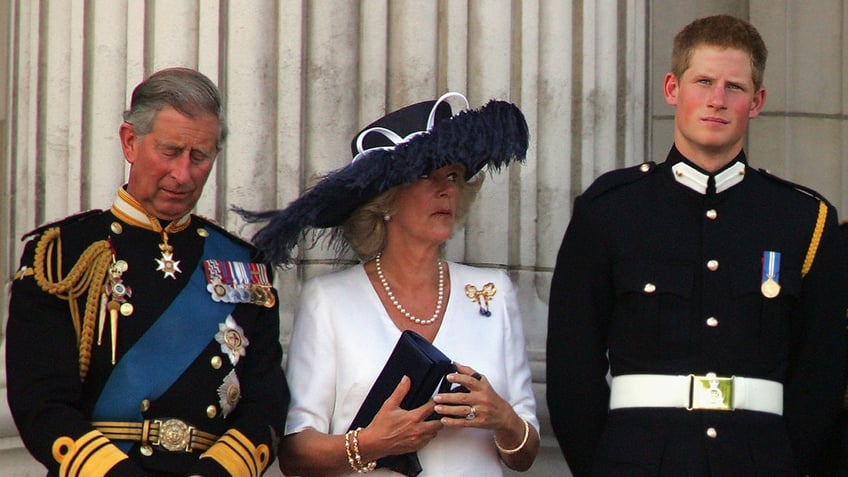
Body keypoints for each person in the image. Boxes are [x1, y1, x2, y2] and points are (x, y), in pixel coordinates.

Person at [546, 14, 847, 477]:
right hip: (635, 462)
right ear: (672, 89)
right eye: (703, 81)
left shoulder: (804, 220)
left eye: (735, 87)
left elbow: (821, 377)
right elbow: (573, 369)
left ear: (757, 101)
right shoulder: (609, 210)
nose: (717, 100)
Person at [6, 67, 289, 477]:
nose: (184, 174)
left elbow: (266, 403)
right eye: (170, 152)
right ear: (130, 142)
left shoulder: (243, 265)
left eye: (200, 156)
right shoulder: (63, 254)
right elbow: (41, 402)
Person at [237, 93, 539, 476]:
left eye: (454, 176)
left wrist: (503, 418)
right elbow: (295, 454)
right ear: (386, 200)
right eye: (429, 175)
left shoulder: (493, 293)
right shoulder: (329, 301)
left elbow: (525, 453)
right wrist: (373, 443)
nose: (447, 189)